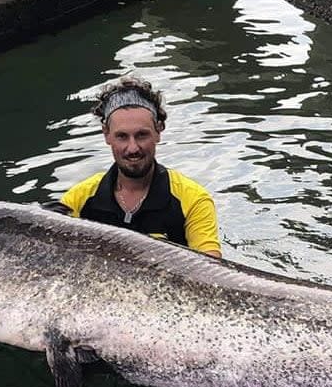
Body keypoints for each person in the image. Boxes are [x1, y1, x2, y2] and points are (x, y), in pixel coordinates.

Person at [55, 76, 222, 258]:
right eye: (122, 136)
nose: (133, 148)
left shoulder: (194, 200)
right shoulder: (78, 200)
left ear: (159, 131)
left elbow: (213, 271)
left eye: (142, 135)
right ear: (106, 135)